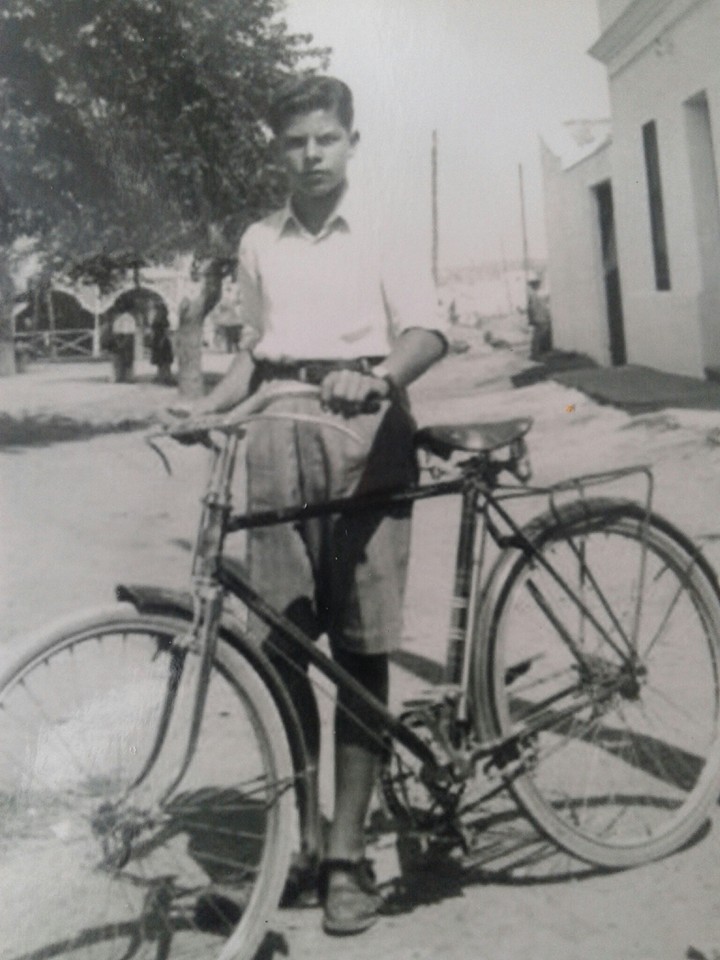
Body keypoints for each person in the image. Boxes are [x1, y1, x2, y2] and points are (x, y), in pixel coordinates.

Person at [174, 75, 446, 936]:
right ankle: (299, 845)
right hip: (278, 436)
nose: (311, 154)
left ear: (351, 143)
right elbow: (258, 353)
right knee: (282, 647)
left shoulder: (384, 228)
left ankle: (348, 859)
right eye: (294, 142)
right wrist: (204, 410)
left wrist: (377, 379)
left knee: (362, 647)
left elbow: (427, 330)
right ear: (277, 151)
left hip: (364, 434)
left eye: (326, 138)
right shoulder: (260, 240)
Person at [148, 301, 174, 384]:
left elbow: (166, 331)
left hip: (162, 340)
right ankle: (161, 376)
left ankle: (166, 377)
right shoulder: (156, 318)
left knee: (164, 360)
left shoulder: (163, 319)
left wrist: (162, 341)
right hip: (157, 339)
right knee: (160, 360)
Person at [110, 310, 136, 382]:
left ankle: (120, 376)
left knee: (120, 358)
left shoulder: (119, 318)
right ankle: (127, 377)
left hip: (122, 337)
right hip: (126, 337)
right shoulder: (130, 318)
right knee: (127, 359)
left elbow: (116, 331)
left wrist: (120, 342)